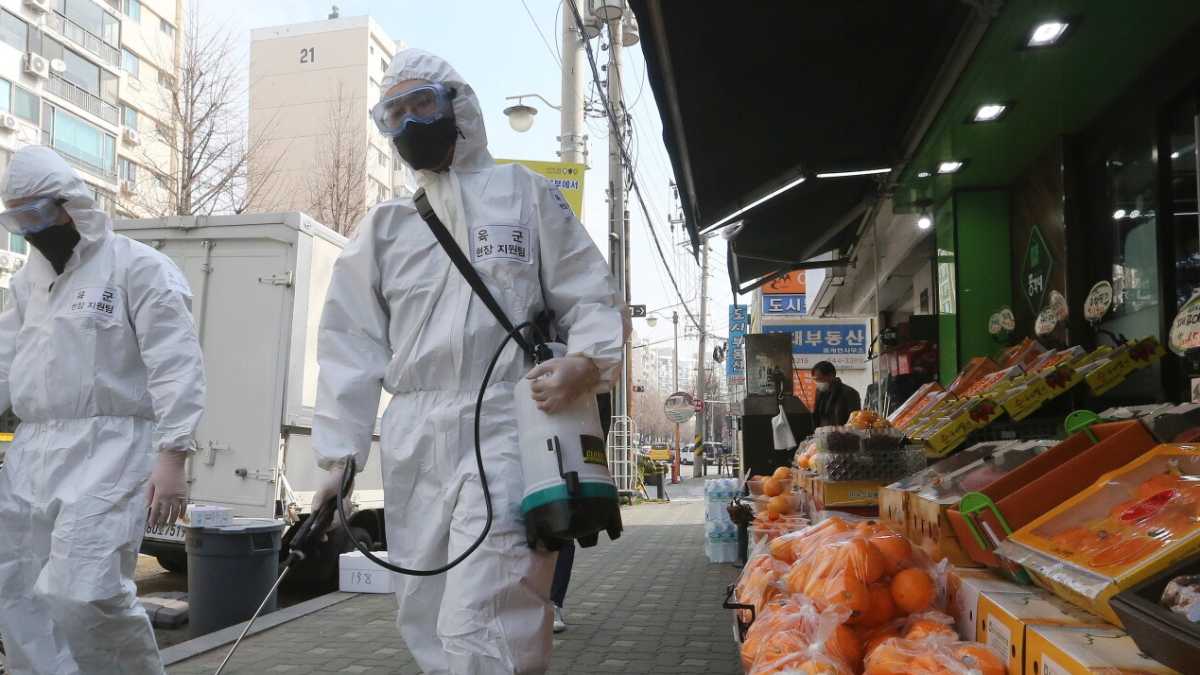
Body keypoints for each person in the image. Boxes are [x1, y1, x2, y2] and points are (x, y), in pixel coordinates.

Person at [310, 49, 624, 674]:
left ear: (460, 104)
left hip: (512, 427)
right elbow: (351, 345)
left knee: (487, 612)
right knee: (424, 608)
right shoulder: (385, 229)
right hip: (415, 441)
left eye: (422, 103)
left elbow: (588, 291)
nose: (408, 124)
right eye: (392, 114)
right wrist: (339, 459)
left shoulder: (524, 195)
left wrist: (589, 362)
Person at [0, 146, 206, 674]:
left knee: (85, 592)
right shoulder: (29, 284)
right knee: (14, 586)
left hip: (110, 449)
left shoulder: (140, 269)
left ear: (72, 204)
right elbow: (4, 360)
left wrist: (174, 453)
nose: (31, 228)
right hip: (32, 450)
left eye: (38, 213)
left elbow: (175, 363)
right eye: (18, 217)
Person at [811, 361, 861, 427]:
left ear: (831, 376)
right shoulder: (820, 392)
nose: (817, 383)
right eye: (815, 380)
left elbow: (855, 421)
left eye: (819, 379)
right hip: (821, 434)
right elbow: (817, 416)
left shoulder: (850, 393)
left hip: (842, 435)